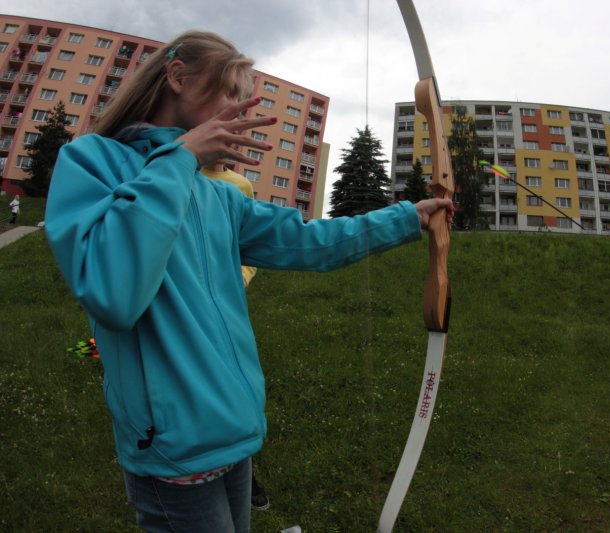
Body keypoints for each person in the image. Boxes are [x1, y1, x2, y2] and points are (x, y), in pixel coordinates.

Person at [44, 30, 453, 533]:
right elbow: (113, 293)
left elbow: (310, 240)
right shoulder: (92, 161)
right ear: (177, 77)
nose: (237, 110)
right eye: (230, 92)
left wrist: (407, 217)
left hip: (234, 431)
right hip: (172, 448)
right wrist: (180, 159)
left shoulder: (218, 195)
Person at [200, 160, 267, 510]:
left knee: (233, 385)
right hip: (179, 299)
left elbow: (248, 245)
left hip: (223, 306)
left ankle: (243, 471)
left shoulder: (240, 185)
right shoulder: (176, 174)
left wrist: (242, 275)